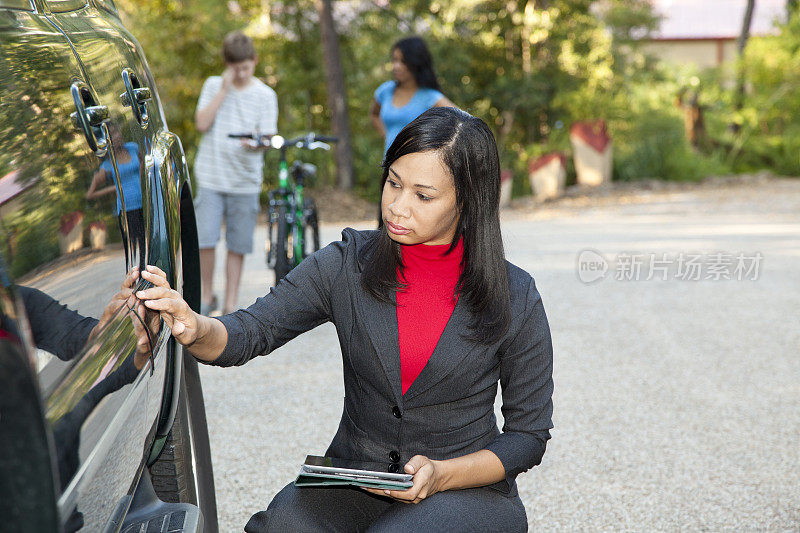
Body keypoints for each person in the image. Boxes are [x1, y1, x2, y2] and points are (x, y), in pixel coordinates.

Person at [137, 107, 553, 532]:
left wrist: (442, 473)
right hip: (355, 478)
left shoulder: (515, 295)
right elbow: (250, 332)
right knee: (278, 527)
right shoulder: (346, 265)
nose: (397, 206)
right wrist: (194, 325)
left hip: (466, 490)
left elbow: (528, 435)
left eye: (423, 196)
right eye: (393, 183)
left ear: (468, 202)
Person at [194, 30, 278, 315]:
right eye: (235, 68)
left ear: (254, 60)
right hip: (211, 176)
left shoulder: (266, 95)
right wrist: (223, 90)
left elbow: (267, 139)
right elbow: (201, 123)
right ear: (227, 64)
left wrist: (255, 143)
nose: (241, 73)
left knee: (238, 243)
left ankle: (231, 303)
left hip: (245, 181)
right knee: (205, 237)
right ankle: (207, 295)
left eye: (245, 67)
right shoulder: (213, 84)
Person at [370, 36, 456, 156]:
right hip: (390, 166)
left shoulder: (430, 96)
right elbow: (374, 115)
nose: (396, 66)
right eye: (394, 60)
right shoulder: (385, 91)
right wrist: (388, 137)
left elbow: (462, 123)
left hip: (418, 168)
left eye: (403, 62)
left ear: (416, 63)